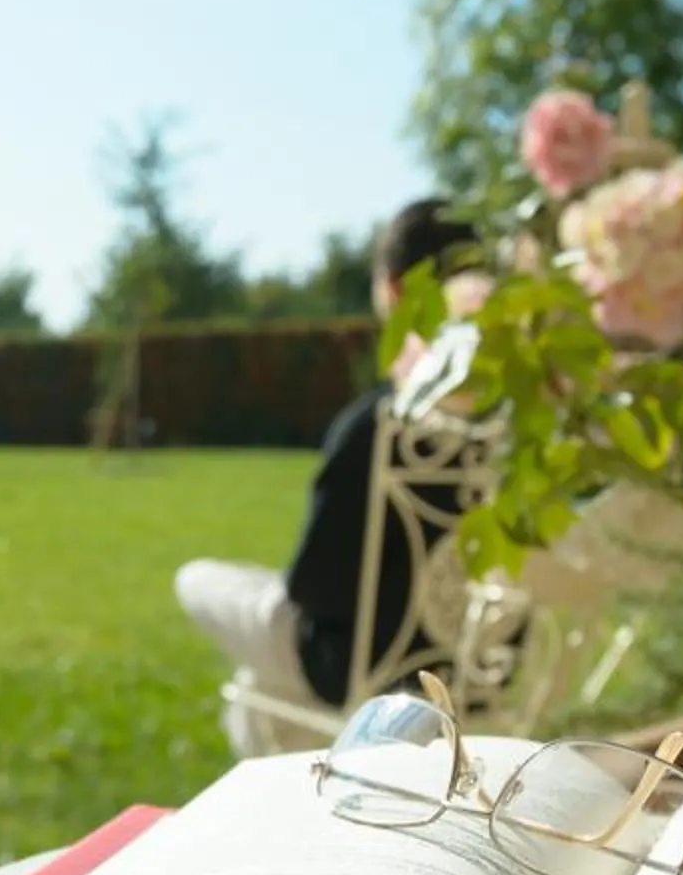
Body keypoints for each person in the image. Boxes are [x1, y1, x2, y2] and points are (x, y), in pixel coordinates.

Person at [175, 199, 484, 756]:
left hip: (350, 670)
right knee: (252, 691)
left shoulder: (378, 427)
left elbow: (312, 588)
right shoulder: (517, 441)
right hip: (478, 670)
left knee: (198, 582)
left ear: (392, 289)